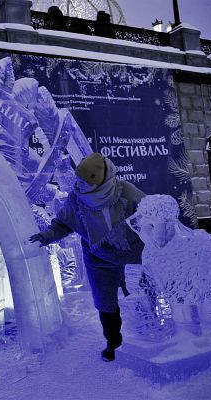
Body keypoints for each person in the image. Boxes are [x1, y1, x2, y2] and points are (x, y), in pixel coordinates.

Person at [29, 152, 145, 361]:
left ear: (100, 180)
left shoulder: (127, 193)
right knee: (105, 302)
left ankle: (150, 336)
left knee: (143, 296)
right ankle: (113, 343)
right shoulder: (76, 199)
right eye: (78, 180)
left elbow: (151, 219)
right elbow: (63, 224)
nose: (78, 185)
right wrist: (46, 236)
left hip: (133, 254)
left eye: (84, 181)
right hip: (98, 256)